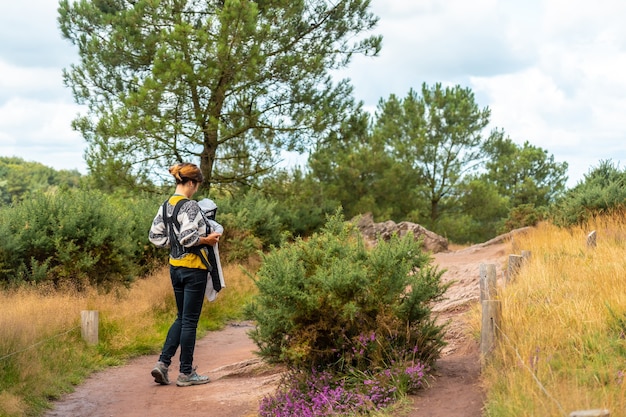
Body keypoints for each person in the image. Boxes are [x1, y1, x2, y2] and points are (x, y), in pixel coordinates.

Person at [148, 162, 221, 387]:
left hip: (175, 267)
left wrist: (174, 243)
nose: (196, 189)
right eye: (196, 185)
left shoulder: (166, 205)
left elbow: (154, 236)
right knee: (189, 321)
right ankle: (186, 373)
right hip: (193, 268)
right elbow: (189, 237)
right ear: (190, 183)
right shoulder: (190, 206)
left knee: (182, 317)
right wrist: (206, 240)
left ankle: (162, 364)